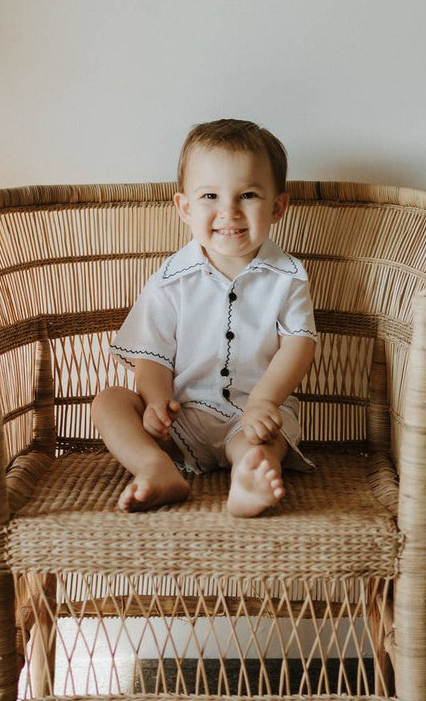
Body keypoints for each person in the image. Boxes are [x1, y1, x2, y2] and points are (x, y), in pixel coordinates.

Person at [91, 119, 317, 517]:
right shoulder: (170, 280)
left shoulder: (289, 277)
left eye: (247, 195)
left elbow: (299, 345)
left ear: (278, 206)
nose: (228, 211)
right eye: (210, 195)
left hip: (250, 417)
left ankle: (248, 480)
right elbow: (152, 353)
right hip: (182, 419)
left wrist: (264, 402)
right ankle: (155, 468)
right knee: (110, 400)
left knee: (263, 442)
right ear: (185, 208)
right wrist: (157, 402)